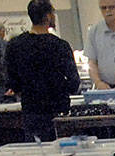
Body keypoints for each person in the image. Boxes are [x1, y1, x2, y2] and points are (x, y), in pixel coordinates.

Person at [4, 0, 79, 142]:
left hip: (31, 112)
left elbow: (13, 83)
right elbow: (74, 83)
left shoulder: (14, 46)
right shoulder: (60, 46)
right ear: (48, 16)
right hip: (59, 113)